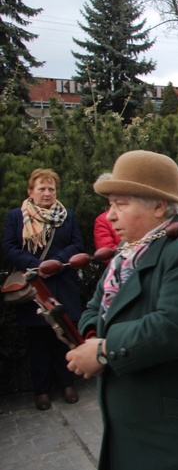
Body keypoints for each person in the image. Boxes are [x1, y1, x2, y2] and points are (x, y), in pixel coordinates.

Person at [65, 151, 178, 470]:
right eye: (110, 204)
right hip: (143, 432)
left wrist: (104, 351)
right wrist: (90, 339)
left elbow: (174, 328)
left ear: (159, 205)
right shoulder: (130, 251)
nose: (110, 216)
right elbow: (97, 307)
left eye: (121, 204)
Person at [3, 168, 84, 411]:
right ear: (30, 191)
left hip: (62, 283)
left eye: (51, 189)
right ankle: (41, 390)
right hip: (35, 287)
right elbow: (9, 248)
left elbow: (77, 244)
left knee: (64, 337)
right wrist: (39, 265)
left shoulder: (67, 216)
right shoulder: (17, 217)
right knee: (38, 342)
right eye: (42, 188)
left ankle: (67, 384)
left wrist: (56, 262)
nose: (47, 193)